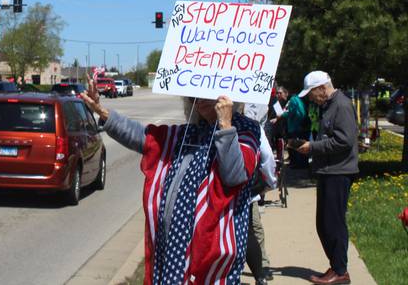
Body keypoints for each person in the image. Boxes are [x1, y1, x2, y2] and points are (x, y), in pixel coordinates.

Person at [80, 76, 260, 284]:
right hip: (173, 252)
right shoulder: (187, 133)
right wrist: (102, 112)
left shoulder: (245, 130)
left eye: (207, 93)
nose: (199, 101)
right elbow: (143, 137)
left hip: (210, 259)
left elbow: (234, 175)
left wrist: (226, 125)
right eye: (192, 97)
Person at [294, 71, 358, 285]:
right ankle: (336, 265)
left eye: (312, 93)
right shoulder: (329, 105)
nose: (311, 98)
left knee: (334, 224)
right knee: (324, 224)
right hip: (329, 171)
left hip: (339, 172)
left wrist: (313, 147)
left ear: (322, 87)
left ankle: (340, 270)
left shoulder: (341, 105)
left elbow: (344, 141)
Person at [244, 104, 277, 284]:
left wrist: (268, 183)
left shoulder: (252, 126)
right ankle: (261, 269)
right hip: (245, 193)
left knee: (252, 230)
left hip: (240, 193)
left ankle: (261, 268)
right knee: (252, 230)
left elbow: (266, 157)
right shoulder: (252, 126)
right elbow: (267, 158)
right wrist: (269, 183)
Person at [275, 86, 310, 169]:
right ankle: (300, 164)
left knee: (296, 146)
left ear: (286, 93)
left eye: (281, 93)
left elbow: (297, 113)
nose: (279, 95)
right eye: (277, 93)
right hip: (297, 127)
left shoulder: (293, 100)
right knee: (297, 145)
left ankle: (298, 165)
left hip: (295, 127)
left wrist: (283, 115)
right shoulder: (297, 99)